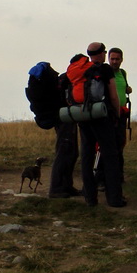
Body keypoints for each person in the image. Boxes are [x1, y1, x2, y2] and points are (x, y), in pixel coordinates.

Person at [77, 42, 126, 207]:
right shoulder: (104, 69)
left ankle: (90, 198)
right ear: (102, 53)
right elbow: (113, 96)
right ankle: (114, 199)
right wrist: (117, 115)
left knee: (87, 156)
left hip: (83, 117)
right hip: (101, 117)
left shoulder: (82, 69)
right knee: (110, 156)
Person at [48, 55, 83, 199]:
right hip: (65, 119)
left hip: (65, 118)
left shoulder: (65, 78)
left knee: (71, 152)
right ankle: (56, 189)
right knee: (64, 152)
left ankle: (67, 186)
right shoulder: (70, 79)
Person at [107, 48, 132, 181]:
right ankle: (107, 176)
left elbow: (125, 87)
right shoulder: (105, 72)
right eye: (112, 59)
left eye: (117, 59)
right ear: (108, 59)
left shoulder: (123, 73)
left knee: (120, 144)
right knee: (108, 145)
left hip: (122, 113)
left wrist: (128, 89)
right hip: (109, 114)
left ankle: (119, 174)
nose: (114, 61)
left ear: (122, 60)